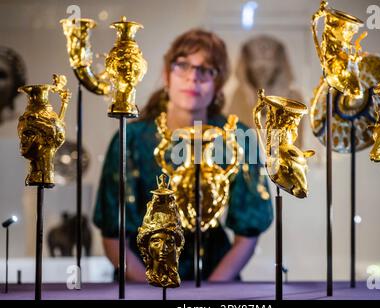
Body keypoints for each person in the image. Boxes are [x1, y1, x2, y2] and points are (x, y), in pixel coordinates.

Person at [93, 28, 273, 282]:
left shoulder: (238, 137)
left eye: (205, 70)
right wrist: (152, 290)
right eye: (183, 66)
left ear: (218, 82)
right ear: (167, 74)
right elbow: (113, 235)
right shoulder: (130, 139)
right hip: (139, 276)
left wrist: (211, 291)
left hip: (214, 274)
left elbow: (249, 233)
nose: (193, 78)